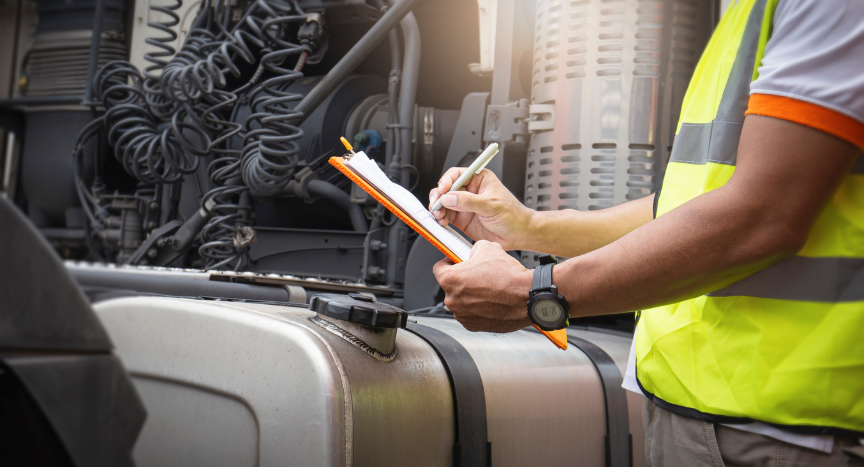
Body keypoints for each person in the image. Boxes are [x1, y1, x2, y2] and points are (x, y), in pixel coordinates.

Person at [428, 0, 864, 465]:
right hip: (693, 408)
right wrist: (526, 226)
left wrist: (532, 295)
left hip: (784, 427)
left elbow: (764, 214)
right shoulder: (747, 14)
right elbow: (681, 207)